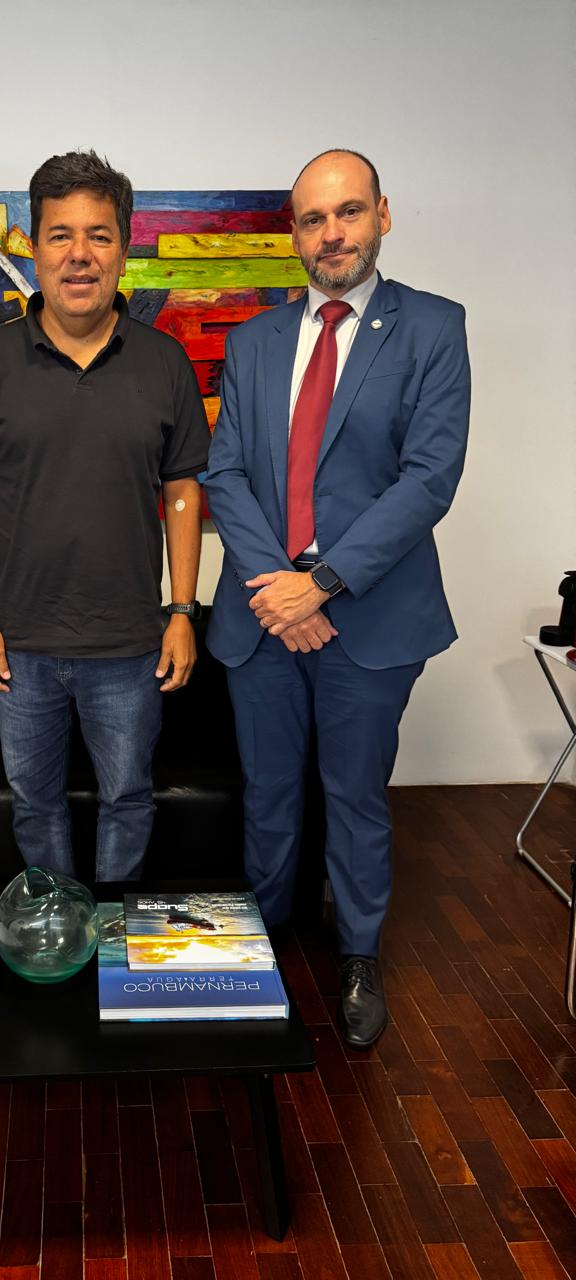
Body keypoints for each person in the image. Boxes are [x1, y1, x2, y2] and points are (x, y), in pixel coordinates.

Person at [205, 149, 470, 1047]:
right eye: (314, 219)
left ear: (382, 216)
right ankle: (265, 945)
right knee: (268, 792)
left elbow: (429, 479)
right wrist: (279, 593)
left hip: (370, 615)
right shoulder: (254, 342)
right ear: (295, 233)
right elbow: (226, 474)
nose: (332, 234)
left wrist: (319, 584)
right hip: (262, 615)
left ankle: (358, 954)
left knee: (354, 795)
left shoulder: (433, 328)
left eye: (348, 212)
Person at [0, 151, 211, 881]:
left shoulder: (165, 362)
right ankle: (57, 927)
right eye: (60, 235)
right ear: (35, 247)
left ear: (123, 249)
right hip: (18, 646)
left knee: (128, 799)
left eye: (98, 235)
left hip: (130, 644)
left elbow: (182, 491)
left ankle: (112, 931)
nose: (79, 254)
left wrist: (182, 611)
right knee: (34, 805)